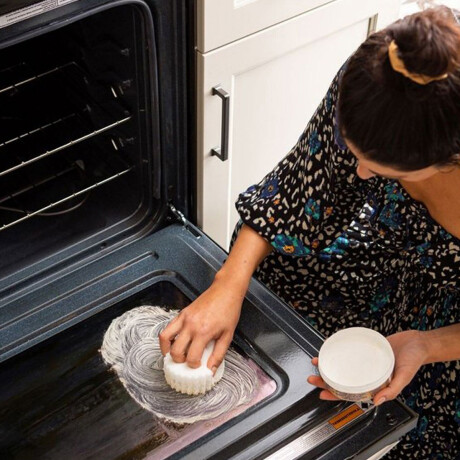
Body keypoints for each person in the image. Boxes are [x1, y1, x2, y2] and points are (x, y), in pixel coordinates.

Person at [160, 6, 460, 458]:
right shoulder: (382, 77)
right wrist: (228, 284)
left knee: (407, 429)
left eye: (381, 171)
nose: (358, 173)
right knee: (274, 283)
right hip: (381, 261)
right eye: (356, 154)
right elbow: (296, 190)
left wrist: (427, 345)